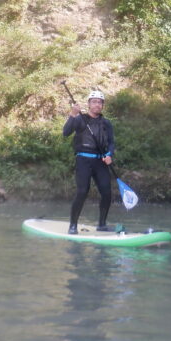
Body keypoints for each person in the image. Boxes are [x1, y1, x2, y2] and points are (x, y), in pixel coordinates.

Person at [63, 90, 115, 235]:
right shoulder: (80, 119)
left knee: (107, 192)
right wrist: (72, 115)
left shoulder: (106, 123)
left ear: (102, 105)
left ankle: (102, 224)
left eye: (100, 102)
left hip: (101, 161)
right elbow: (66, 132)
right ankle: (73, 225)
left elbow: (111, 143)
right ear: (89, 104)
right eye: (94, 102)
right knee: (82, 192)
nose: (97, 104)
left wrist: (109, 154)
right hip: (83, 160)